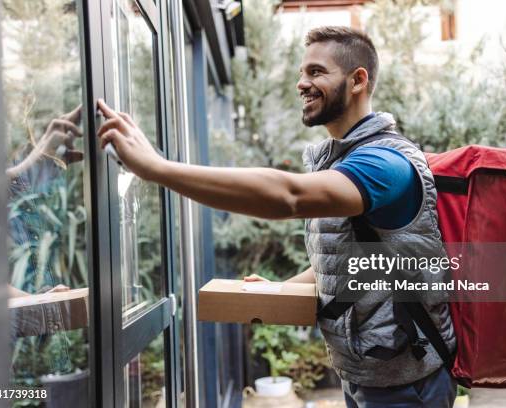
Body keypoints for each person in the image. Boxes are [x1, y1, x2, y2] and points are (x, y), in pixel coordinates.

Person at [97, 26, 457, 407]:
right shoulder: (343, 160)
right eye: (302, 73)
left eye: (316, 72)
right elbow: (350, 264)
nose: (302, 83)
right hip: (369, 373)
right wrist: (281, 288)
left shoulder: (385, 163)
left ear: (358, 81)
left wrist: (156, 168)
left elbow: (289, 197)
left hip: (408, 382)